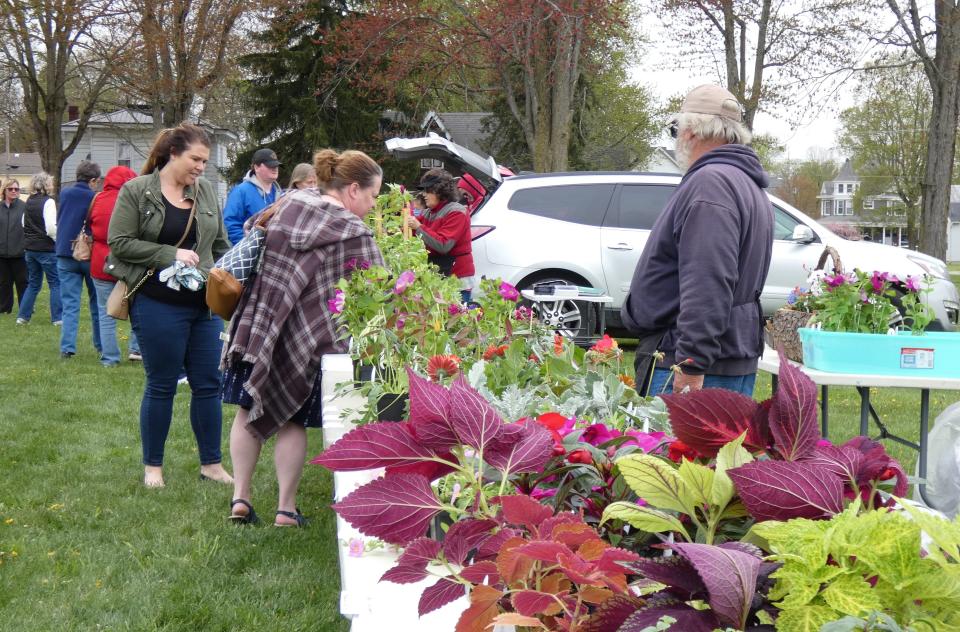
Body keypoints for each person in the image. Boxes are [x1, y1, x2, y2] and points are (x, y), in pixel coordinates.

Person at [223, 148, 384, 526]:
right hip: (307, 340)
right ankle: (285, 508)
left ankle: (240, 498)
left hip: (260, 324)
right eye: (373, 197)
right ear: (354, 190)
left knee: (246, 410)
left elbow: (249, 230)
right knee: (292, 420)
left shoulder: (289, 202)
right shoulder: (354, 232)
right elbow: (382, 285)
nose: (374, 207)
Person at [621, 84, 774, 398]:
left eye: (676, 129)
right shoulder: (745, 183)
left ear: (690, 130)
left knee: (674, 450)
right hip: (722, 359)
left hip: (692, 365)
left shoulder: (711, 184)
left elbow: (708, 280)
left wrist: (691, 364)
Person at [107, 123, 233, 488]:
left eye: (205, 161)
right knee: (161, 383)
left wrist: (234, 276)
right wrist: (169, 253)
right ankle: (153, 468)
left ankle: (211, 464)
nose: (201, 167)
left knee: (209, 382)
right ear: (173, 153)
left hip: (203, 305)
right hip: (156, 302)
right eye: (195, 159)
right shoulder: (137, 191)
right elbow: (119, 242)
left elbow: (220, 244)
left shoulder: (206, 191)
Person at [90, 165, 141, 366]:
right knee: (137, 308)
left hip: (100, 263)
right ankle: (136, 349)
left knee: (105, 312)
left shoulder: (97, 200)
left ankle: (109, 358)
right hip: (129, 263)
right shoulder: (133, 200)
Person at [54, 160, 102, 359]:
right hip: (89, 253)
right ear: (92, 180)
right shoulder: (96, 197)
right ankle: (101, 345)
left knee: (70, 304)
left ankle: (67, 348)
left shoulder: (64, 193)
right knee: (97, 304)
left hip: (66, 251)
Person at [404, 168, 475, 301]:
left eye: (428, 190)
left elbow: (443, 244)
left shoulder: (457, 212)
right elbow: (410, 231)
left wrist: (418, 227)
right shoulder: (429, 212)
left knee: (455, 319)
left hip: (456, 279)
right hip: (440, 275)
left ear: (440, 190)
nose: (423, 194)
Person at [17, 172, 61, 325]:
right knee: (55, 283)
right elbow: (50, 228)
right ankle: (57, 318)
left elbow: (23, 223)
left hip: (30, 249)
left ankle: (23, 317)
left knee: (33, 283)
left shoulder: (28, 201)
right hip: (46, 249)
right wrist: (57, 241)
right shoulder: (48, 202)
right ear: (47, 185)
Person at [223, 148, 282, 244]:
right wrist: (248, 247)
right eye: (270, 165)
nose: (275, 168)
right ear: (256, 167)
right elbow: (230, 225)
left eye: (276, 165)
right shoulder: (241, 192)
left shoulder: (280, 193)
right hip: (251, 253)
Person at [0, 179, 27, 314]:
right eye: (10, 189)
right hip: (2, 253)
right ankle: (5, 308)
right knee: (4, 283)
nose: (14, 191)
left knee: (22, 282)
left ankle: (25, 308)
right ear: (4, 191)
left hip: (20, 252)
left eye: (16, 189)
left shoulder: (24, 207)